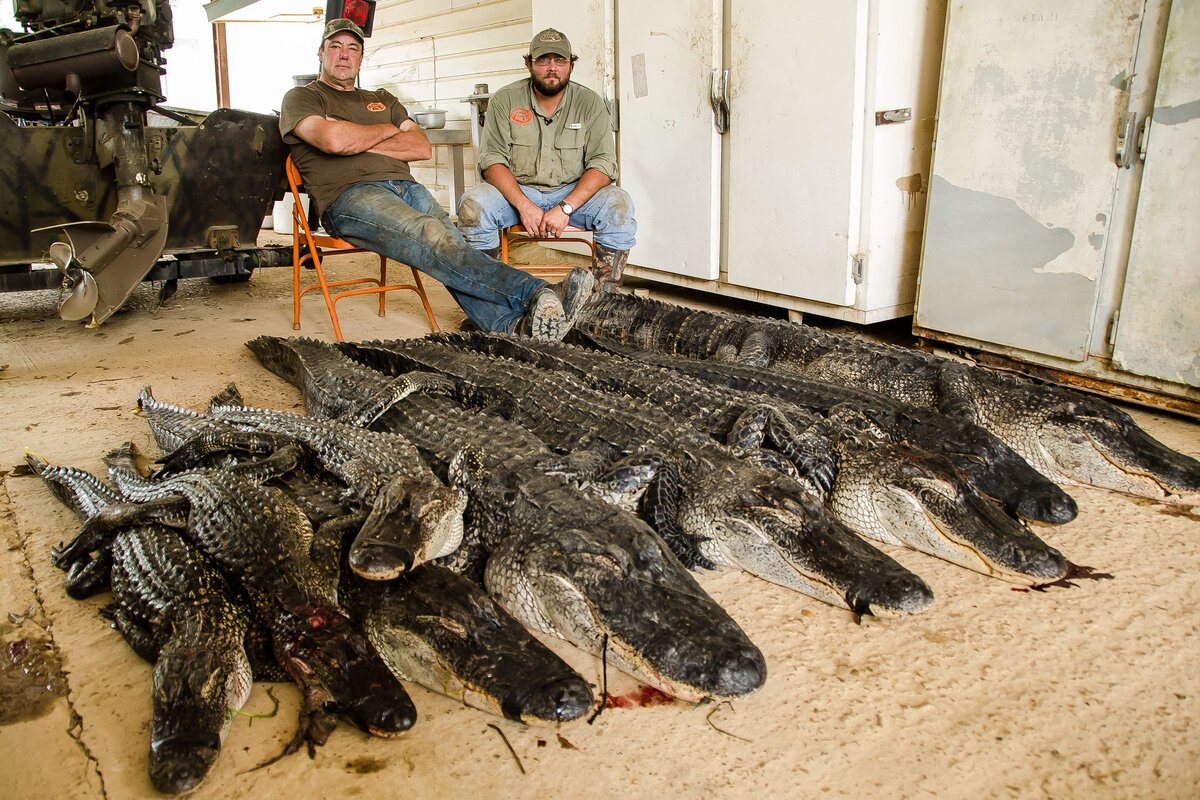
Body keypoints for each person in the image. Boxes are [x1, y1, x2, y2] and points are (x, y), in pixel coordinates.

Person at [278, 18, 593, 339]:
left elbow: (419, 146)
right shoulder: (302, 98)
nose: (344, 55)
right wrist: (388, 132)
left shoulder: (382, 98)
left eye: (353, 48)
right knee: (431, 234)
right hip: (348, 197)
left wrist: (354, 133)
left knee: (451, 242)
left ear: (361, 57)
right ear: (320, 53)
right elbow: (333, 141)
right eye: (335, 47)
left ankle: (511, 326)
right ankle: (537, 291)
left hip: (405, 188)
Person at [456, 28, 637, 293]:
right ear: (529, 63)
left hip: (572, 193)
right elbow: (492, 161)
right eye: (543, 60)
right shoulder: (505, 100)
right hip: (518, 191)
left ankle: (601, 304)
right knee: (473, 206)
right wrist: (524, 206)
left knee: (619, 205)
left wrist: (565, 208)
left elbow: (604, 165)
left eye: (560, 60)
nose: (552, 68)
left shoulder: (590, 103)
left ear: (571, 65)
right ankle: (490, 301)